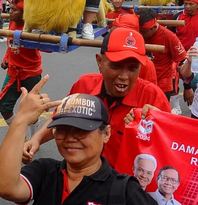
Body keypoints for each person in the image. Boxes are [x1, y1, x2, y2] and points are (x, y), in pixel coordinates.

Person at [0, 85, 155, 205]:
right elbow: (6, 186)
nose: (70, 138)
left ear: (106, 133)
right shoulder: (45, 172)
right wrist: (21, 120)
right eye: (62, 130)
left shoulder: (128, 193)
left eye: (82, 130)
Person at [23, 27, 171, 168]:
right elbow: (59, 119)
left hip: (127, 185)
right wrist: (36, 139)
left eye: (133, 68)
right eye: (115, 66)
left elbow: (170, 151)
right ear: (99, 62)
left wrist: (155, 129)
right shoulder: (84, 85)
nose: (124, 76)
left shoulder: (153, 99)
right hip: (82, 176)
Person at [0, 0, 42, 135]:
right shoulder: (12, 22)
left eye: (14, 10)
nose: (10, 12)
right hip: (13, 72)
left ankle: (34, 137)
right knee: (4, 107)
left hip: (31, 73)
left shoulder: (32, 27)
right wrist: (6, 58)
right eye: (10, 8)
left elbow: (46, 48)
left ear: (25, 14)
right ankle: (20, 136)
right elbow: (10, 43)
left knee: (32, 108)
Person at [137, 8, 187, 100]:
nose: (140, 33)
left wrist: (187, 87)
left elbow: (182, 61)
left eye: (143, 32)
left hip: (161, 85)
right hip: (139, 82)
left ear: (154, 27)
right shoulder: (136, 34)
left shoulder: (169, 37)